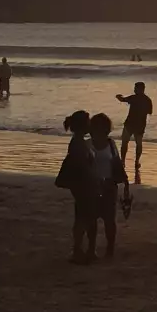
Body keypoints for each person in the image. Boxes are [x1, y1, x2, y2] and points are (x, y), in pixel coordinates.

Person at [55, 111, 96, 264]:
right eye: (88, 122)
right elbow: (81, 166)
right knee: (83, 216)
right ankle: (78, 250)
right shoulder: (78, 144)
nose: (90, 124)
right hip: (82, 184)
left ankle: (80, 250)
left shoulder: (78, 141)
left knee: (82, 215)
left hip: (80, 183)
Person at [87, 114, 126, 259]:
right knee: (92, 219)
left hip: (109, 185)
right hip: (92, 185)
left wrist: (125, 181)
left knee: (109, 219)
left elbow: (117, 163)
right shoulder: (88, 144)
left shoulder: (111, 144)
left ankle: (110, 249)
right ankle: (92, 248)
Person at [115, 82, 153, 172]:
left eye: (136, 88)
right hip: (140, 124)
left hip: (130, 123)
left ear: (141, 89)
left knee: (125, 142)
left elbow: (122, 99)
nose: (134, 90)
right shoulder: (147, 100)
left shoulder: (133, 98)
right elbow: (149, 112)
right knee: (138, 144)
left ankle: (123, 161)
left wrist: (118, 96)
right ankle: (136, 161)